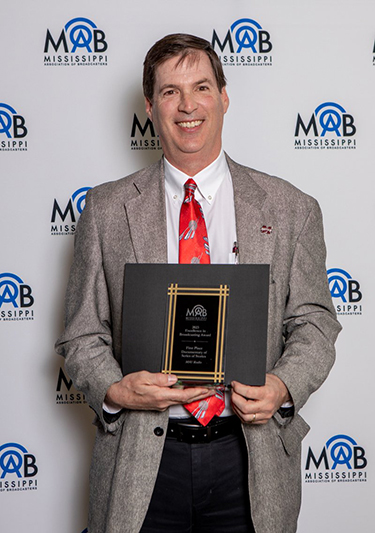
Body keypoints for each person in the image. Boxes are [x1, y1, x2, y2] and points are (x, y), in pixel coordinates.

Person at [55, 33, 341, 533]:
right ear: (151, 105)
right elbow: (82, 335)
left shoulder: (291, 208)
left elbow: (315, 323)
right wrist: (117, 389)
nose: (187, 105)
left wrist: (282, 385)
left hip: (248, 459)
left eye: (201, 87)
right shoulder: (104, 210)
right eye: (170, 92)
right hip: (143, 460)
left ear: (224, 97)